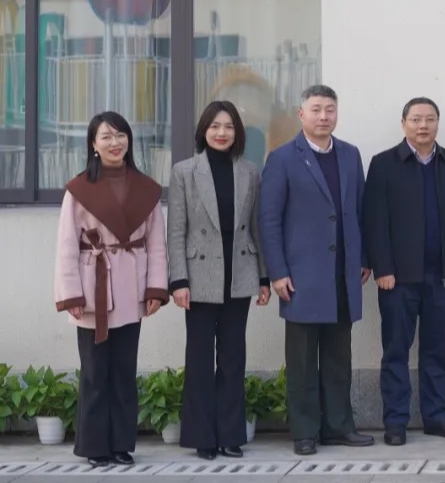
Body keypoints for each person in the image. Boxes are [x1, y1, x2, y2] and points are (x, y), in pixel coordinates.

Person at [258, 85, 373, 456]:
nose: (324, 116)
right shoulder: (282, 159)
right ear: (301, 114)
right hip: (301, 276)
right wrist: (277, 271)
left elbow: (360, 211)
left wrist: (363, 258)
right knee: (303, 360)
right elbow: (269, 219)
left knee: (339, 357)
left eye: (330, 109)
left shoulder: (350, 155)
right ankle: (305, 431)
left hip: (343, 273)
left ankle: (339, 426)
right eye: (316, 109)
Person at [53, 112, 168, 468]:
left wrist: (155, 288)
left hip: (131, 288)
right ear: (93, 144)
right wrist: (71, 295)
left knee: (123, 371)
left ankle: (121, 444)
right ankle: (94, 446)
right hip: (93, 291)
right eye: (106, 137)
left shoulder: (147, 189)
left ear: (129, 141)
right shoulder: (78, 189)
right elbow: (66, 246)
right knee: (94, 373)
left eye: (121, 136)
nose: (115, 143)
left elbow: (156, 244)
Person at [363, 97, 445, 446]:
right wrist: (382, 267)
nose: (423, 125)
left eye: (429, 119)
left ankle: (437, 416)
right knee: (396, 351)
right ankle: (395, 422)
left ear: (438, 123)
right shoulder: (383, 164)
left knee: (436, 351)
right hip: (397, 280)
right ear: (403, 124)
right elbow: (374, 220)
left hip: (444, 277)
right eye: (415, 119)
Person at [168, 101, 271, 461]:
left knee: (233, 358)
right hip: (198, 277)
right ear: (204, 131)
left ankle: (230, 435)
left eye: (228, 126)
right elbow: (176, 230)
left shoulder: (250, 172)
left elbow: (256, 227)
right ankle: (202, 437)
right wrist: (178, 280)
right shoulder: (184, 171)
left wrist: (263, 277)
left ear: (237, 132)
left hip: (239, 273)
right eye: (215, 126)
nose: (221, 132)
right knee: (199, 359)